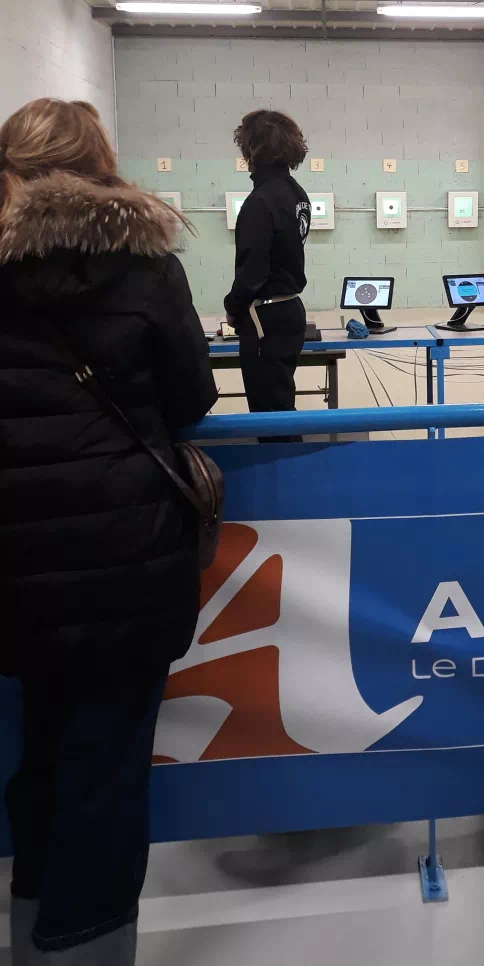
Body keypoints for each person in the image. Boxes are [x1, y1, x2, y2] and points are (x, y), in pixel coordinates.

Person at [0, 98, 218, 965]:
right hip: (126, 555)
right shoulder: (146, 264)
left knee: (41, 756)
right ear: (99, 162)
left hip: (16, 558)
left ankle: (32, 932)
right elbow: (191, 397)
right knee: (107, 770)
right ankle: (83, 947)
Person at [224, 111, 311, 428]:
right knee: (280, 404)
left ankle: (284, 460)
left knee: (269, 415)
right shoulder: (297, 194)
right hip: (290, 310)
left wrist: (233, 308)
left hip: (266, 317)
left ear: (252, 150)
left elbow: (252, 272)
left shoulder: (260, 201)